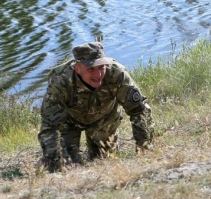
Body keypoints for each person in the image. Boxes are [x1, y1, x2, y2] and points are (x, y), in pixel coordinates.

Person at [37, 41, 154, 172]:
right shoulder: (60, 80)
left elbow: (139, 110)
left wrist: (144, 148)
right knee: (64, 167)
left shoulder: (117, 74)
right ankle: (50, 159)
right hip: (68, 122)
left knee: (105, 162)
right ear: (77, 69)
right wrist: (61, 159)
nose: (98, 74)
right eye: (91, 69)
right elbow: (50, 125)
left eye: (101, 67)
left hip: (104, 119)